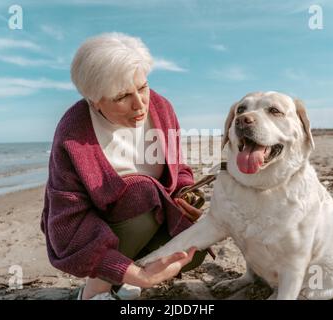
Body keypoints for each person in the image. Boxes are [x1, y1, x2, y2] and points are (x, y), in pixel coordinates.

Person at [40, 32, 208, 300]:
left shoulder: (162, 108)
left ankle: (123, 280)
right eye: (122, 97)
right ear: (94, 100)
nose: (140, 104)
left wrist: (187, 191)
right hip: (99, 230)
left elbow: (180, 170)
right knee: (141, 189)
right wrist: (140, 276)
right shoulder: (73, 132)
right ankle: (96, 290)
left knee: (194, 253)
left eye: (142, 87)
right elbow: (67, 226)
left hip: (151, 217)